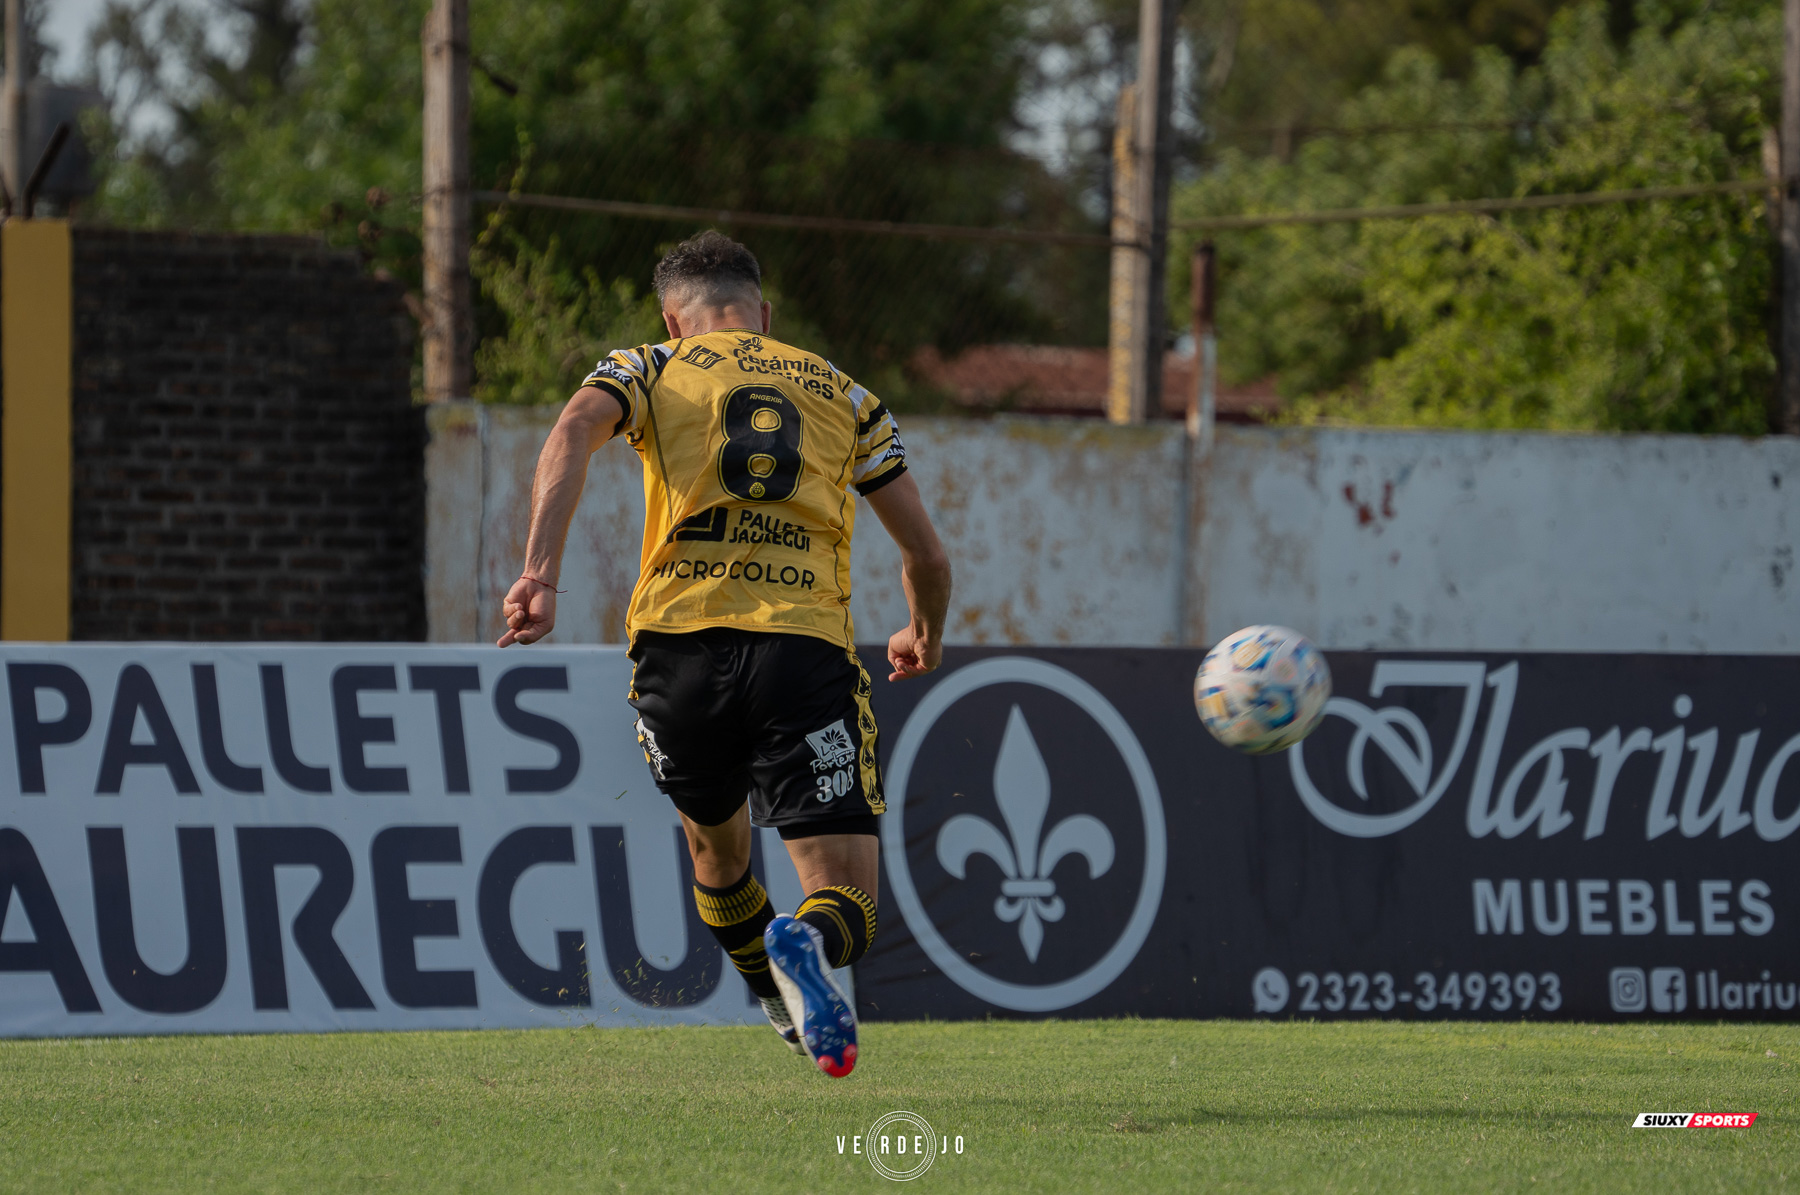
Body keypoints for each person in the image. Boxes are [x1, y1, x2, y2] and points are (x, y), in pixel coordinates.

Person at [496, 230, 952, 1078]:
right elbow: (925, 553)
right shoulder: (847, 394)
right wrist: (923, 629)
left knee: (718, 856)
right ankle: (802, 946)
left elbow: (572, 429)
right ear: (764, 315)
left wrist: (539, 572)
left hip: (675, 653)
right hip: (799, 649)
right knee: (846, 899)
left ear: (674, 320)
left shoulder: (646, 366)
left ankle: (776, 997)